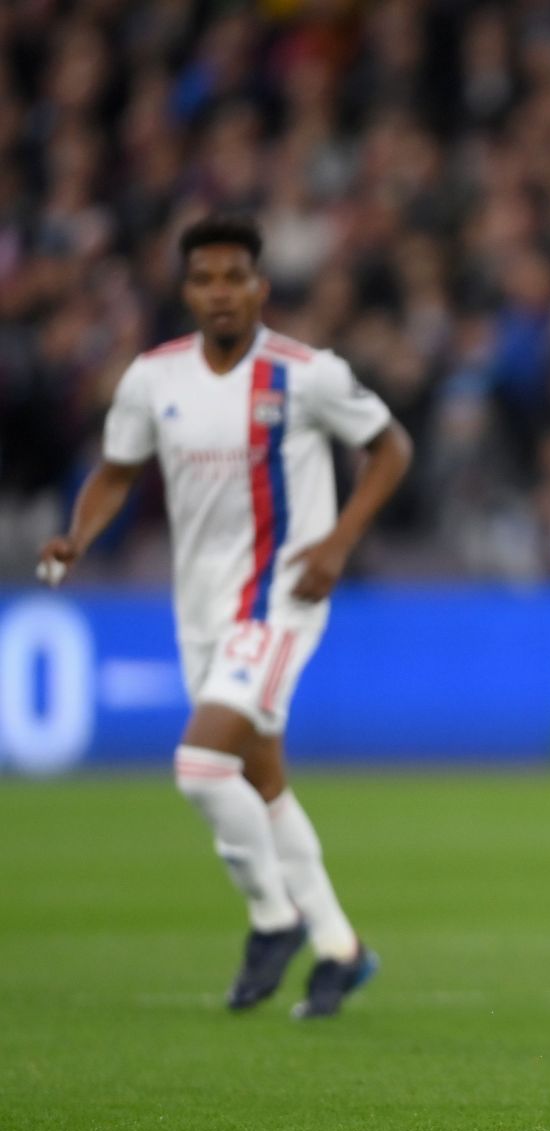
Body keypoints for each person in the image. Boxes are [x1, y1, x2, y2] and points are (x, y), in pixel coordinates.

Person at [38, 213, 413, 1019]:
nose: (219, 292)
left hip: (280, 601)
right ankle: (341, 950)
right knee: (259, 776)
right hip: (199, 607)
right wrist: (78, 534)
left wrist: (339, 543)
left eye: (233, 277)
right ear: (186, 290)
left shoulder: (306, 373)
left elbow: (390, 447)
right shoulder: (153, 379)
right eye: (203, 279)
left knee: (201, 766)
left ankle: (273, 919)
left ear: (258, 287)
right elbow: (116, 472)